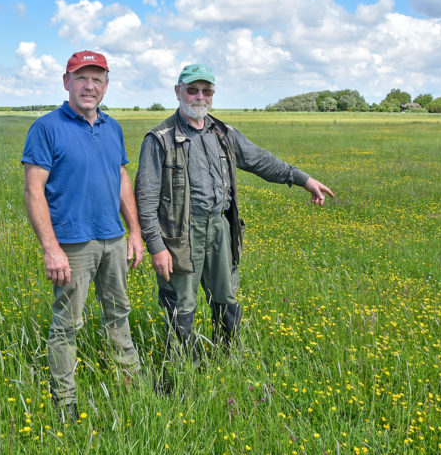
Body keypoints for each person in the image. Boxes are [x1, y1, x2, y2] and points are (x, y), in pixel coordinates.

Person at [134, 64, 334, 364]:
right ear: (178, 91)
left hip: (220, 228)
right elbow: (146, 199)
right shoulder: (159, 138)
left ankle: (226, 362)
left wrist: (303, 179)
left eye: (207, 90)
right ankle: (180, 372)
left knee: (225, 298)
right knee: (181, 304)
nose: (199, 96)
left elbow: (261, 161)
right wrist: (157, 247)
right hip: (180, 234)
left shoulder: (223, 133)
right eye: (192, 89)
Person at [21, 50, 143, 421]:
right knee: (67, 325)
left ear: (106, 86)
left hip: (113, 237)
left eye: (97, 79)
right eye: (81, 78)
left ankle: (130, 384)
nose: (89, 86)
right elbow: (33, 190)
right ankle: (65, 402)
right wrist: (51, 248)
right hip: (73, 245)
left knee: (118, 313)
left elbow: (121, 179)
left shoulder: (112, 127)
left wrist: (134, 232)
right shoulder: (47, 127)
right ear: (66, 82)